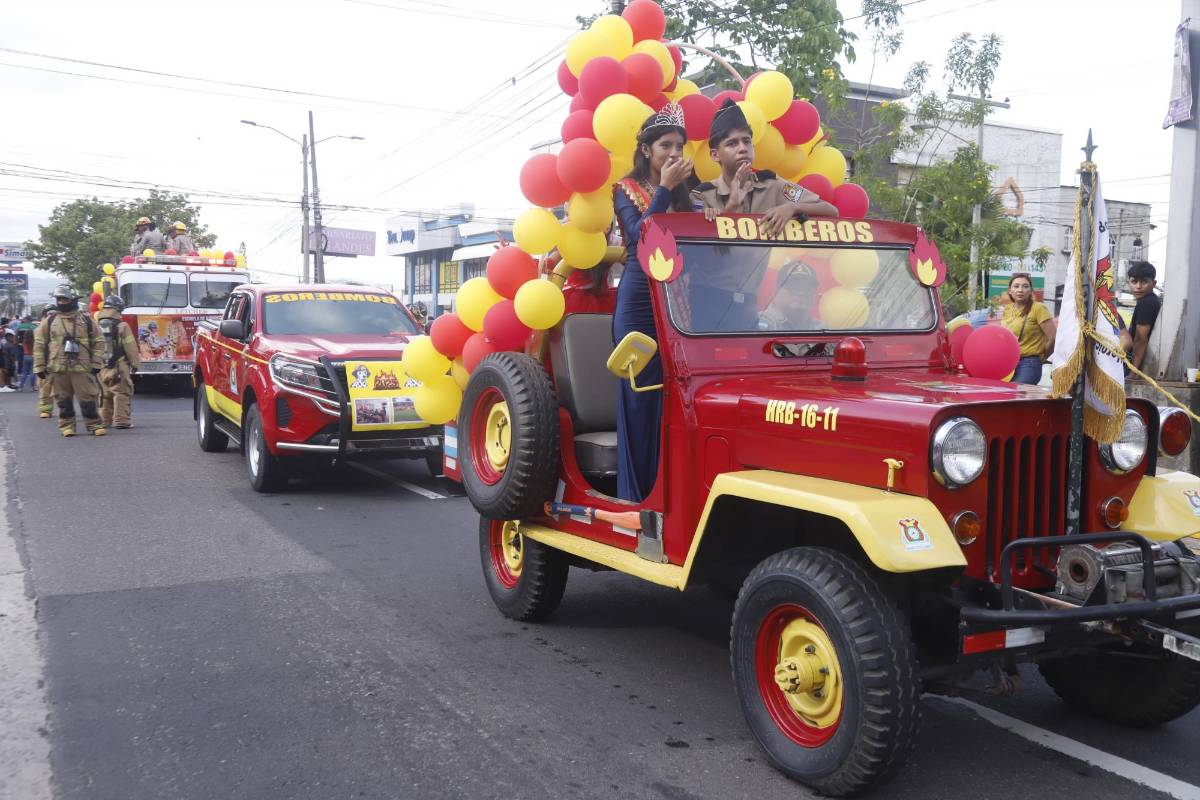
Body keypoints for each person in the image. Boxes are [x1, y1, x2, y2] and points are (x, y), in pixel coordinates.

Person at [611, 103, 696, 502]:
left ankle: (671, 493)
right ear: (646, 149)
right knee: (640, 398)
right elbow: (639, 235)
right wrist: (663, 188)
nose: (674, 153)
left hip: (677, 303)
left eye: (679, 146)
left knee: (676, 399)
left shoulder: (685, 194)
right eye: (666, 146)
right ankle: (637, 496)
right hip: (639, 305)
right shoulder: (625, 189)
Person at [693, 99, 837, 229]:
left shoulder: (772, 184)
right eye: (732, 144)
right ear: (715, 155)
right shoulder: (702, 196)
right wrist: (731, 207)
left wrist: (792, 207)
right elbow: (698, 243)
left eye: (747, 141)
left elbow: (831, 211)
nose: (743, 148)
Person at [34, 285, 106, 437]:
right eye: (59, 299)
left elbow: (99, 342)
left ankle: (94, 424)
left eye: (64, 299)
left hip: (82, 367)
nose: (61, 302)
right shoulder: (50, 321)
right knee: (62, 399)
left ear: (73, 300)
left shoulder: (86, 320)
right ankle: (67, 426)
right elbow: (39, 344)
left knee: (88, 398)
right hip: (58, 368)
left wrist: (96, 363)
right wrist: (39, 366)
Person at [1001, 272, 1054, 384]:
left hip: (1029, 363)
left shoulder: (1038, 308)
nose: (1020, 290)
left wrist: (1041, 357)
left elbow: (1053, 338)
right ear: (1010, 290)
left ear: (1030, 291)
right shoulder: (1008, 309)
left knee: (1016, 393)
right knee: (1001, 391)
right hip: (1008, 362)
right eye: (1016, 286)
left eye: (1025, 286)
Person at [96, 295, 140, 429]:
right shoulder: (122, 326)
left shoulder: (96, 325)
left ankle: (104, 420)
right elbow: (130, 347)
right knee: (121, 392)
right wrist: (135, 364)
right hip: (119, 365)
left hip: (101, 366)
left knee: (104, 393)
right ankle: (122, 420)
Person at [1119, 260, 1160, 373]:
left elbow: (1140, 339)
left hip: (1137, 366)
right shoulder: (1150, 300)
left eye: (1144, 282)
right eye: (1134, 281)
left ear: (1154, 283)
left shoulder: (1147, 303)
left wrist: (1133, 372)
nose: (1138, 286)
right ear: (1128, 283)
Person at [759, 261, 818, 330]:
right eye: (793, 286)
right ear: (776, 291)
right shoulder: (758, 323)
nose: (800, 293)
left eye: (807, 288)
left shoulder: (822, 328)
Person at [17, 315, 36, 391]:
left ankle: (21, 387)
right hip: (33, 356)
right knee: (32, 372)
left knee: (24, 372)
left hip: (25, 356)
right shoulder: (34, 342)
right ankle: (32, 387)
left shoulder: (24, 342)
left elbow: (18, 342)